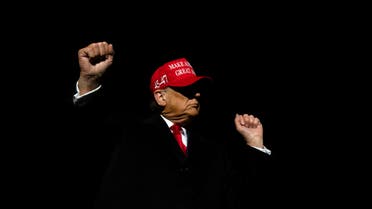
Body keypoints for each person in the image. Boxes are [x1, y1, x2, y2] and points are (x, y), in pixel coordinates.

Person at [72, 41, 273, 209]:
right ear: (160, 97)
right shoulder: (127, 131)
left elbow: (241, 195)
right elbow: (89, 130)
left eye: (198, 88)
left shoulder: (212, 149)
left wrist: (255, 145)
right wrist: (89, 82)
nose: (197, 94)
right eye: (187, 89)